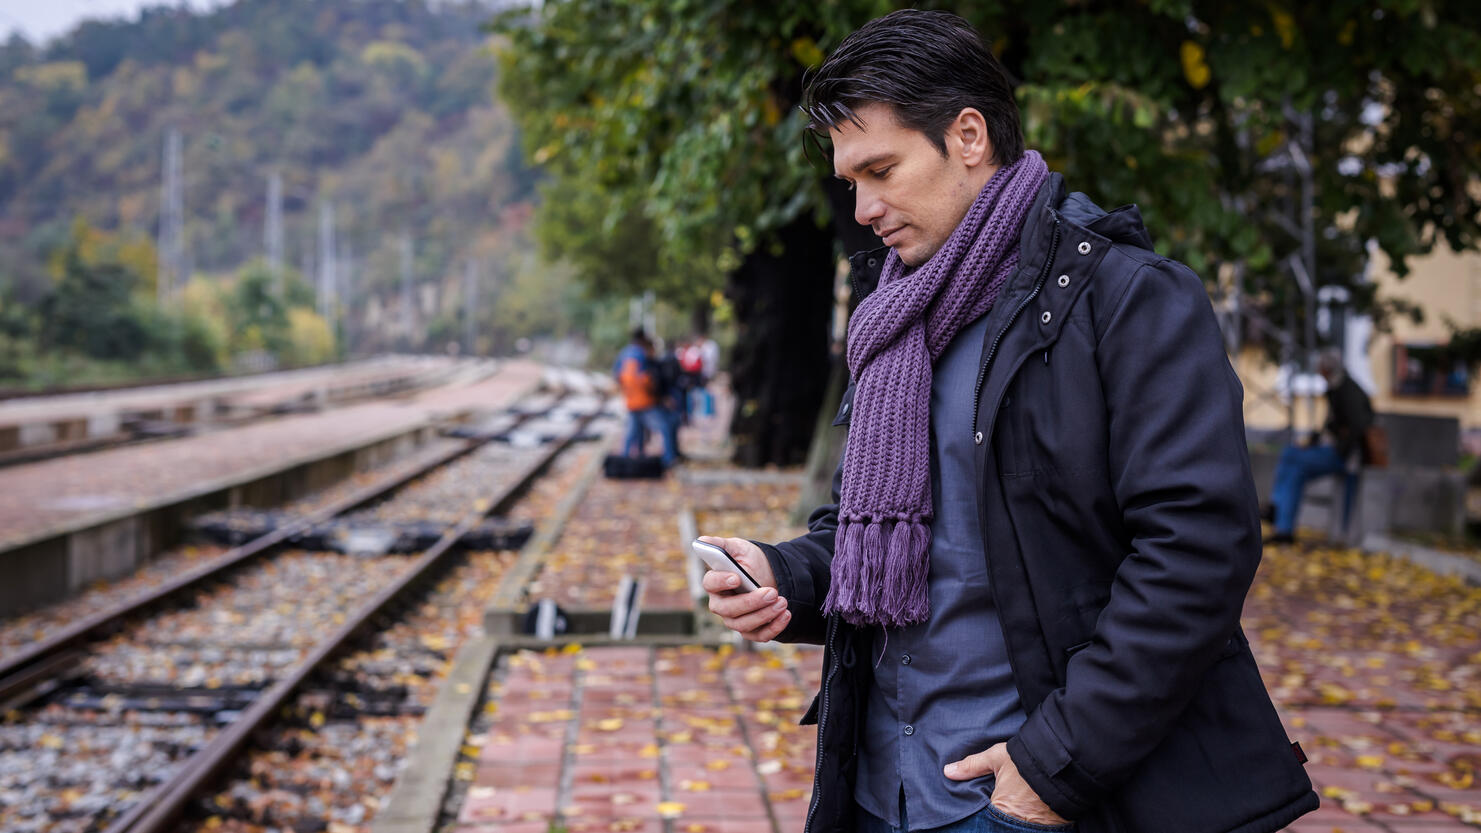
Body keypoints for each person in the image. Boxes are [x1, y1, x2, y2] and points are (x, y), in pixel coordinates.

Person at [699, 10, 1317, 833]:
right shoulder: (892, 320)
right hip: (883, 789)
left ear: (966, 136)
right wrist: (788, 574)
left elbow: (1196, 552)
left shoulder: (1127, 300)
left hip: (1035, 797)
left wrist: (1051, 769)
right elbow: (882, 533)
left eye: (881, 169)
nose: (863, 208)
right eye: (851, 181)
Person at [1266, 349, 1376, 543]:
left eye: (1320, 367)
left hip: (1345, 457)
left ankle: (1278, 512)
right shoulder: (1338, 388)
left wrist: (1340, 448)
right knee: (1292, 465)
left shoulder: (1346, 389)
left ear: (1327, 368)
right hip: (1337, 451)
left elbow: (1358, 424)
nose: (1318, 371)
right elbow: (1332, 426)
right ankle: (1282, 524)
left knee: (1292, 458)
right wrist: (1314, 441)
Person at [613, 329, 675, 467]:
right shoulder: (643, 354)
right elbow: (650, 378)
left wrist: (627, 391)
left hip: (630, 400)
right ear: (642, 339)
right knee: (665, 427)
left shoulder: (624, 353)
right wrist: (660, 396)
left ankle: (626, 460)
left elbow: (617, 375)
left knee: (633, 431)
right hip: (646, 400)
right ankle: (669, 460)